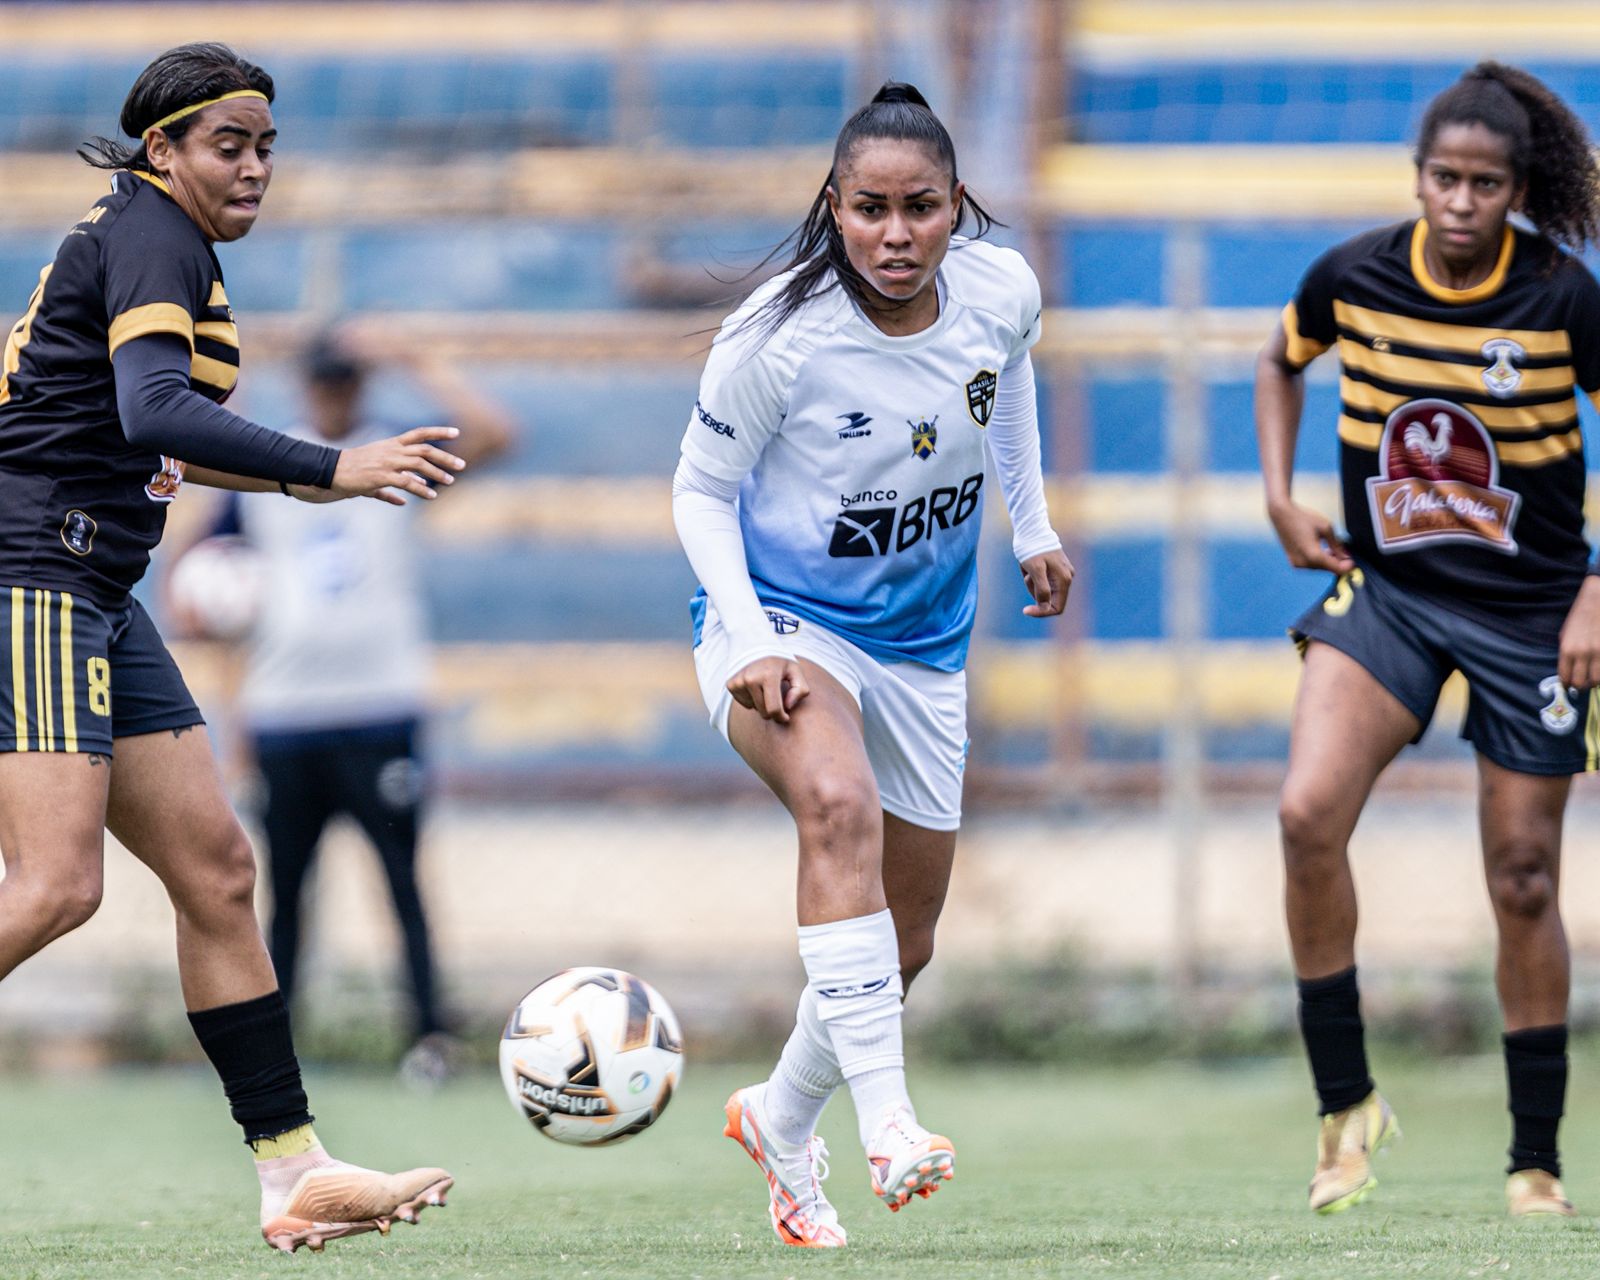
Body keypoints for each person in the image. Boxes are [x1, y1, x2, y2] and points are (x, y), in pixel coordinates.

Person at [0, 43, 466, 1252]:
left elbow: (134, 420)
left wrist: (301, 489)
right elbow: (155, 408)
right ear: (162, 151)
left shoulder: (155, 236)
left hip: (96, 577)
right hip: (36, 571)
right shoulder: (154, 233)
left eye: (265, 144)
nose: (255, 165)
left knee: (216, 870)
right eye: (229, 143)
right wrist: (330, 463)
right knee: (57, 885)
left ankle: (293, 1169)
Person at [672, 82, 1072, 1248]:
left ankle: (781, 1116)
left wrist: (1031, 524)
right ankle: (891, 1123)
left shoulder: (1001, 289)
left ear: (958, 209)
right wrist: (749, 638)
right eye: (869, 210)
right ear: (833, 209)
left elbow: (1006, 386)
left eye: (921, 208)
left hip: (926, 648)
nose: (896, 236)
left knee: (906, 939)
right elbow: (697, 491)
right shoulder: (776, 336)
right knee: (835, 804)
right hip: (784, 623)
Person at [1255, 61, 1600, 1219]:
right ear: (1417, 180)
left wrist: (1597, 590)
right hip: (1390, 592)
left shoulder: (1561, 296)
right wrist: (1279, 494)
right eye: (1442, 179)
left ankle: (1533, 1160)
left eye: (1484, 183)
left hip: (1531, 610)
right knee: (1306, 811)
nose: (1459, 201)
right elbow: (1278, 358)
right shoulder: (1351, 274)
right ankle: (1345, 1108)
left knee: (1521, 875)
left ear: (1515, 190)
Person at [185, 326, 512, 1086]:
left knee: (401, 882)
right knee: (285, 899)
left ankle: (429, 1036)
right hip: (285, 714)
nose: (336, 394)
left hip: (379, 708)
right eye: (326, 382)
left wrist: (416, 356)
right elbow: (201, 570)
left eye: (349, 381)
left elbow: (497, 435)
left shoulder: (392, 458)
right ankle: (272, 1054)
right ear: (307, 385)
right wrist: (211, 645)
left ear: (362, 385)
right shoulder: (267, 466)